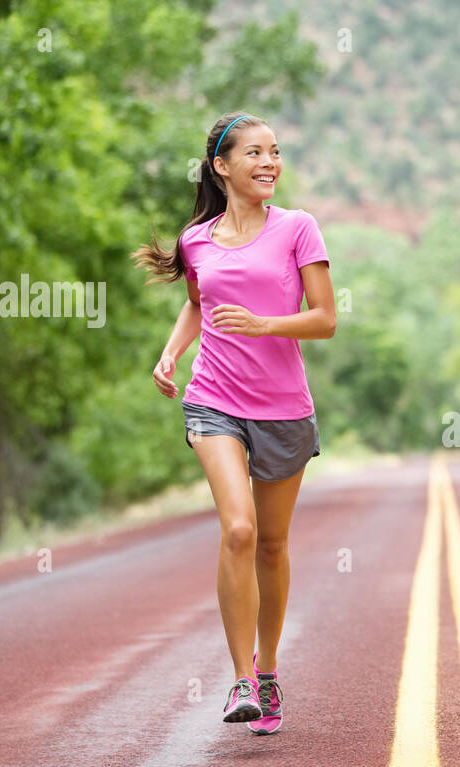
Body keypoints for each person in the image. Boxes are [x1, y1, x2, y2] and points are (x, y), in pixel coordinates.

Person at [134, 111, 336, 734]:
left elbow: (325, 319)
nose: (270, 162)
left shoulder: (298, 228)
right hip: (214, 399)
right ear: (222, 167)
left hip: (283, 408)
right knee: (240, 530)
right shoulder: (197, 240)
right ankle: (241, 679)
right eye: (254, 153)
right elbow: (198, 304)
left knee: (273, 544)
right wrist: (172, 352)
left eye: (275, 151)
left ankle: (268, 669)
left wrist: (267, 324)